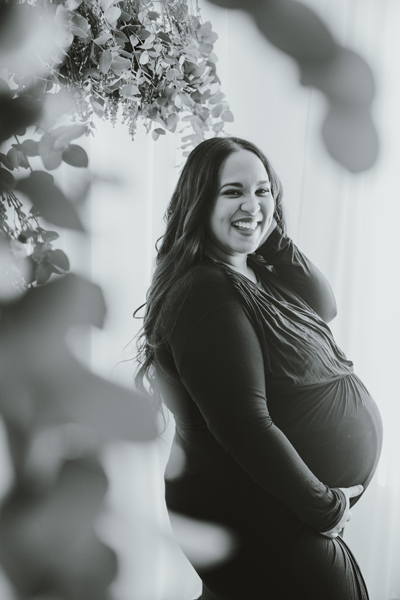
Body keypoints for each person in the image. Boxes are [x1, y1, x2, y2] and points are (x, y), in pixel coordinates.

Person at [135, 137, 383, 599]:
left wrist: (267, 228)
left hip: (279, 508)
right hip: (254, 511)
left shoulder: (253, 271)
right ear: (199, 202)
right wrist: (326, 507)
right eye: (233, 192)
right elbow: (245, 425)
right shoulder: (204, 292)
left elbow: (324, 304)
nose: (251, 203)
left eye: (263, 190)